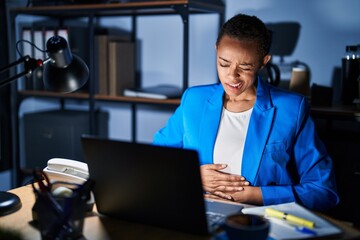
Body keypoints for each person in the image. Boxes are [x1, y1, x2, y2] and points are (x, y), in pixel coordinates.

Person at [153, 13, 339, 211]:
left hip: (259, 218)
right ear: (216, 50)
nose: (232, 75)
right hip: (198, 213)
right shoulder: (194, 100)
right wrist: (192, 177)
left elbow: (323, 191)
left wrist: (256, 195)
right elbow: (156, 161)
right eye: (223, 63)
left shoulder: (292, 108)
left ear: (263, 61)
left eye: (245, 66)